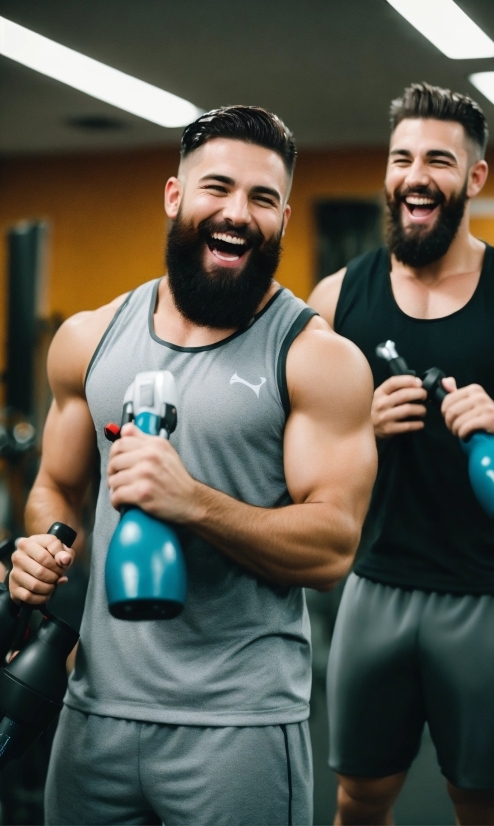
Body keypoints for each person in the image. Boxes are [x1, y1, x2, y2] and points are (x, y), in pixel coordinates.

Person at [9, 105, 377, 826]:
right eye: (217, 188)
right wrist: (42, 550)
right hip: (93, 712)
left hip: (237, 728)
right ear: (175, 196)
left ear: (283, 218)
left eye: (262, 199)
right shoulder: (89, 340)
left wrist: (193, 502)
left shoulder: (317, 358)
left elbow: (333, 544)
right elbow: (57, 487)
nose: (237, 214)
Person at [308, 82, 494, 826]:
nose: (414, 175)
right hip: (373, 587)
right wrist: (357, 426)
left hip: (484, 592)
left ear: (474, 178)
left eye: (438, 159)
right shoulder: (338, 299)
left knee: (479, 803)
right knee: (359, 798)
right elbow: (292, 442)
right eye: (401, 158)